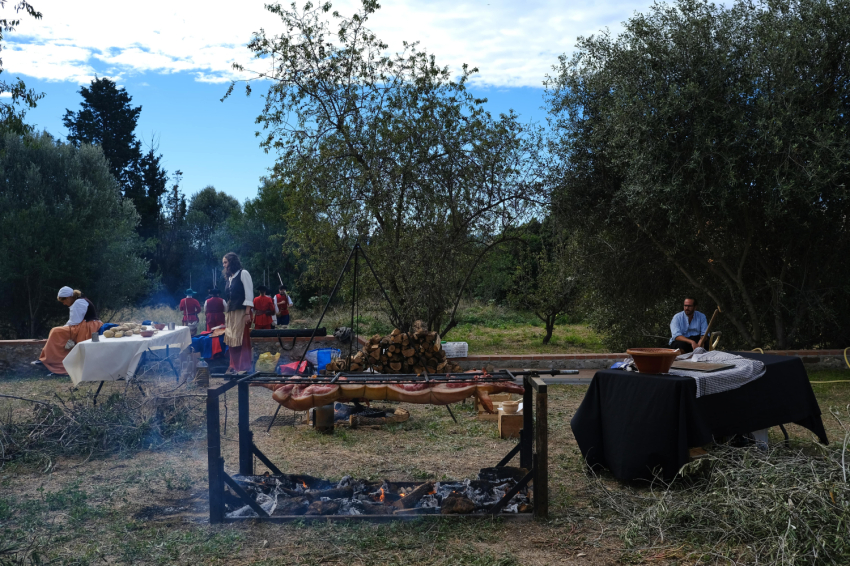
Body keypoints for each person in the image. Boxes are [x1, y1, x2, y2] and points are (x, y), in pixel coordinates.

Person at [34, 287, 103, 374]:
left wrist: (64, 328)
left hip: (89, 326)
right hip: (85, 325)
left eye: (63, 301)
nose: (64, 304)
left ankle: (49, 359)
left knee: (56, 331)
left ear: (68, 298)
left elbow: (75, 321)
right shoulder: (79, 301)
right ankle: (51, 359)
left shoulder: (79, 302)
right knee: (57, 332)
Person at [222, 252, 254, 373]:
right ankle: (234, 366)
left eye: (226, 262)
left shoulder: (243, 273)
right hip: (231, 313)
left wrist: (247, 313)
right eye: (223, 263)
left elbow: (249, 294)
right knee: (231, 339)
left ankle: (243, 367)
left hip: (242, 311)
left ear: (232, 262)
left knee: (242, 339)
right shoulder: (230, 278)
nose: (224, 265)